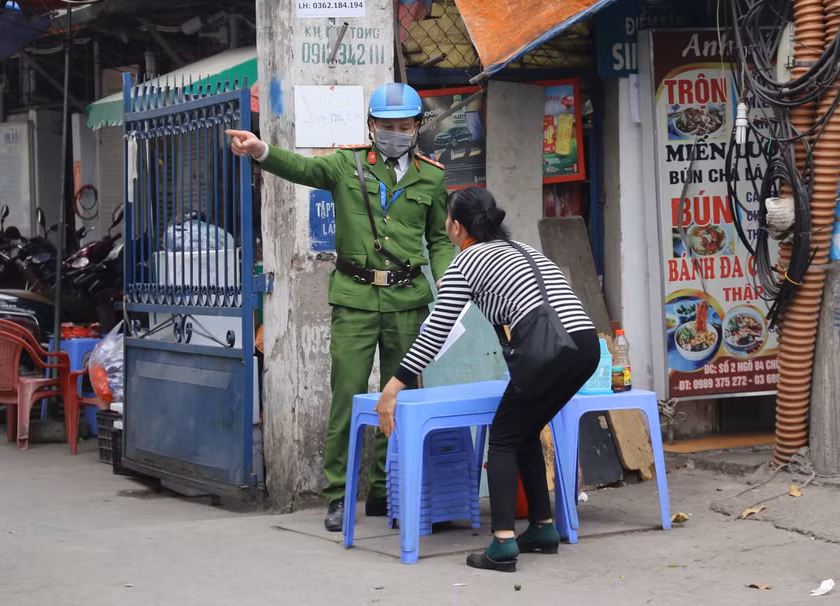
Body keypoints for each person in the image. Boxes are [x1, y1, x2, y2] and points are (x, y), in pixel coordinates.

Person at [226, 83, 455, 531]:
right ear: (371, 127)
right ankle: (339, 493)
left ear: (416, 127)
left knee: (402, 397)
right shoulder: (345, 164)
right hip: (354, 298)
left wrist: (449, 273)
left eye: (403, 126)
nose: (395, 133)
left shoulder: (431, 176)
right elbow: (300, 168)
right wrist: (261, 150)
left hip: (408, 301)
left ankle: (385, 488)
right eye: (386, 126)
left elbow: (439, 239)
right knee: (348, 397)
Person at [375, 187, 600, 572]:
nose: (446, 226)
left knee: (503, 438)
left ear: (457, 227)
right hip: (585, 345)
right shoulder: (521, 247)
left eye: (447, 219)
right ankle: (543, 529)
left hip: (546, 349)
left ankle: (502, 543)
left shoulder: (465, 262)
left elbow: (436, 331)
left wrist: (392, 387)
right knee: (525, 430)